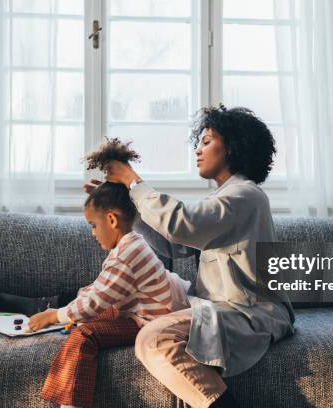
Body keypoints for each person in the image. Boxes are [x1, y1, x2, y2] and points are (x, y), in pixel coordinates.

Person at [93, 104, 296, 408]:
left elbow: (180, 224)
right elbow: (174, 246)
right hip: (218, 305)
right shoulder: (224, 197)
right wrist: (127, 211)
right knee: (144, 300)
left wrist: (132, 181)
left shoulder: (245, 196)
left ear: (232, 147)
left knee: (153, 339)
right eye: (198, 142)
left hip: (249, 313)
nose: (198, 150)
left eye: (207, 141)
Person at [28, 181, 191, 408]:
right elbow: (98, 290)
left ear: (112, 220)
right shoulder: (130, 245)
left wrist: (55, 316)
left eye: (93, 225)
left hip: (152, 320)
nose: (93, 233)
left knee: (83, 336)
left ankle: (71, 404)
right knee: (86, 318)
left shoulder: (127, 254)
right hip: (145, 311)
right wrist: (71, 311)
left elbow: (95, 302)